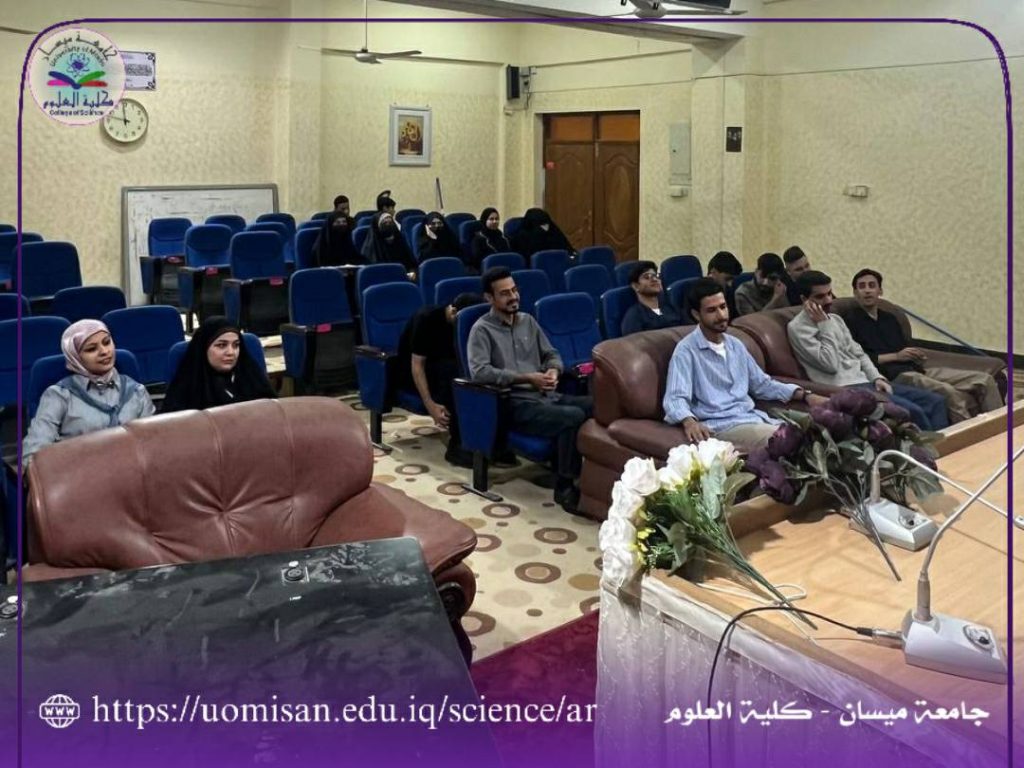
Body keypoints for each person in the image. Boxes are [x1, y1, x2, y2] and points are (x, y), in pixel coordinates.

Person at [467, 267, 593, 514]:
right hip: (514, 403)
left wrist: (553, 371)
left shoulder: (528, 321)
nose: (513, 297)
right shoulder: (481, 330)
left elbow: (551, 354)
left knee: (596, 405)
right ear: (489, 298)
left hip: (546, 395)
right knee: (573, 417)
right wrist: (527, 378)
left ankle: (590, 474)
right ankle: (566, 486)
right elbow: (480, 373)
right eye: (505, 293)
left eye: (514, 290)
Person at [663, 278, 827, 452]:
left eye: (723, 307)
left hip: (753, 417)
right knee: (789, 440)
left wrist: (805, 396)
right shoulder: (686, 351)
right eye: (712, 310)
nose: (721, 315)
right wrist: (689, 421)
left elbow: (762, 384)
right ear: (696, 315)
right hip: (722, 425)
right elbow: (675, 398)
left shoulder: (735, 345)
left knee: (824, 426)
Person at [787, 271, 948, 431]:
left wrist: (877, 377)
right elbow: (830, 365)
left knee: (936, 401)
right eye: (820, 297)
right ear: (804, 299)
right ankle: (934, 447)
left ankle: (947, 444)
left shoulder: (835, 319)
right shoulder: (798, 328)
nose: (829, 300)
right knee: (914, 411)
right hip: (844, 388)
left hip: (867, 382)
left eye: (829, 293)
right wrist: (824, 325)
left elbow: (859, 353)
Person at [843, 268, 1002, 423]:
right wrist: (896, 356)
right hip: (896, 375)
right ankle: (969, 435)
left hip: (917, 368)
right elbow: (859, 359)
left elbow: (904, 347)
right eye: (862, 287)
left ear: (880, 291)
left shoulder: (890, 318)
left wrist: (914, 355)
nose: (867, 290)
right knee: (948, 391)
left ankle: (1002, 428)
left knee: (984, 380)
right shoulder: (849, 321)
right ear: (855, 293)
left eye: (872, 285)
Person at [23, 319, 155, 462]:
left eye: (107, 342)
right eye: (91, 349)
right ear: (75, 357)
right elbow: (33, 454)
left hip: (133, 470)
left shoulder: (136, 391)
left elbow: (153, 444)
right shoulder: (59, 395)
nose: (104, 351)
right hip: (78, 472)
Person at [396, 292, 484, 468]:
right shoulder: (426, 319)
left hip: (442, 371)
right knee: (455, 377)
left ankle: (485, 443)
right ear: (454, 312)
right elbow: (417, 366)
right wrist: (429, 405)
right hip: (412, 374)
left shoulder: (466, 325)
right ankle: (457, 446)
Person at [161, 317, 277, 413]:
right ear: (204, 349)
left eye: (236, 345)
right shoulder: (188, 388)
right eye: (221, 345)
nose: (231, 352)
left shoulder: (251, 377)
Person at [621, 261, 684, 335]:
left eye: (656, 276)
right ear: (636, 286)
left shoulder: (672, 307)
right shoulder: (633, 316)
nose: (654, 279)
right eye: (647, 277)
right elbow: (633, 341)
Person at [511, 208, 575, 261]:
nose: (546, 228)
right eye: (541, 225)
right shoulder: (521, 237)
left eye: (547, 224)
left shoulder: (553, 230)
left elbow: (568, 251)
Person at [470, 207, 512, 273]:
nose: (495, 221)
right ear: (485, 220)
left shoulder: (504, 238)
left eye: (497, 219)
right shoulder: (478, 240)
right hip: (488, 272)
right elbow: (477, 261)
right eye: (491, 219)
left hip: (506, 269)